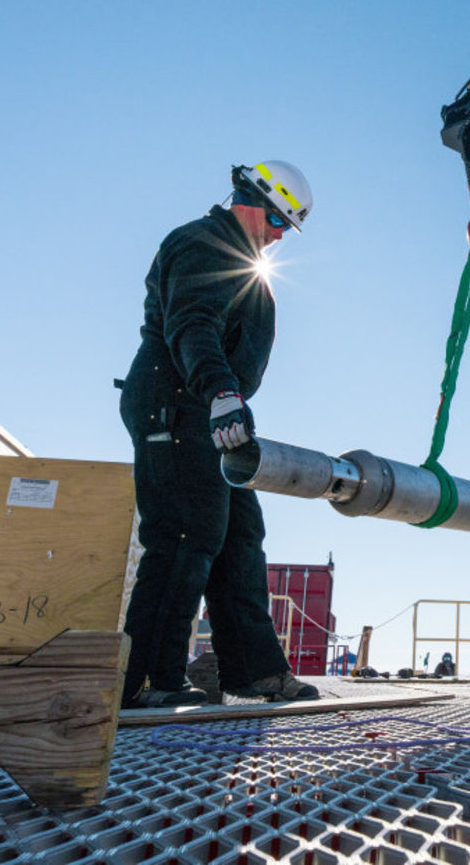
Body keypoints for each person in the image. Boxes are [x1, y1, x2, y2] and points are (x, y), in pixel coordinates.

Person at [118, 160, 318, 708]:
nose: (279, 238)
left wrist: (224, 397)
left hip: (207, 408)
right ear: (254, 201)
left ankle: (251, 671)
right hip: (177, 404)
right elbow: (192, 322)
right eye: (278, 223)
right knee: (183, 536)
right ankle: (142, 680)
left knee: (238, 539)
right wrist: (221, 393)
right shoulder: (203, 243)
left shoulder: (243, 260)